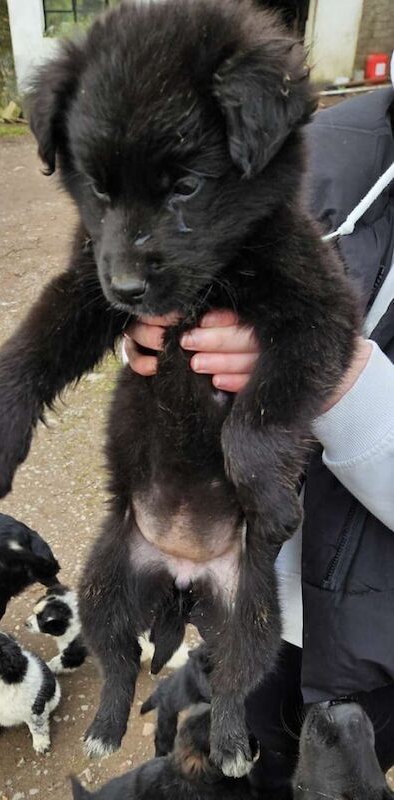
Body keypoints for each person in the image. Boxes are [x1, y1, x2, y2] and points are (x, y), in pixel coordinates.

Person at [124, 71, 394, 798]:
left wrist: (332, 371)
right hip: (249, 594)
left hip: (373, 648)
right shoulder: (314, 153)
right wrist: (164, 346)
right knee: (239, 758)